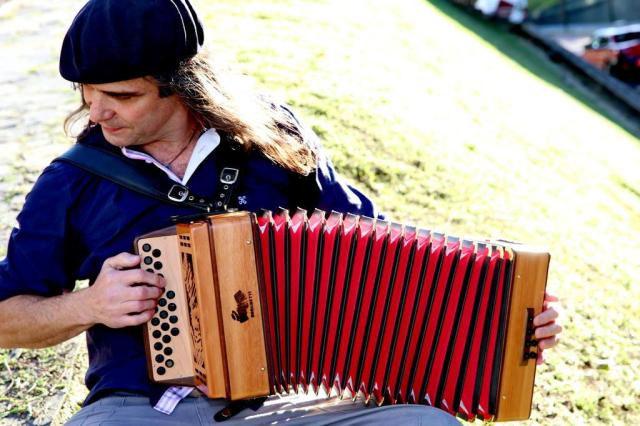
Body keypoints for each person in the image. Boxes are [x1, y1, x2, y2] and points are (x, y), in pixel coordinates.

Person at [0, 0, 561, 424]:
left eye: (120, 96)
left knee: (426, 421)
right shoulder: (73, 180)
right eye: (86, 91)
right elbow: (8, 316)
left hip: (283, 401)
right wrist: (90, 303)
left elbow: (383, 253)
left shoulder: (271, 139)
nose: (96, 113)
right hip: (143, 405)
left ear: (182, 87)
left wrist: (512, 318)